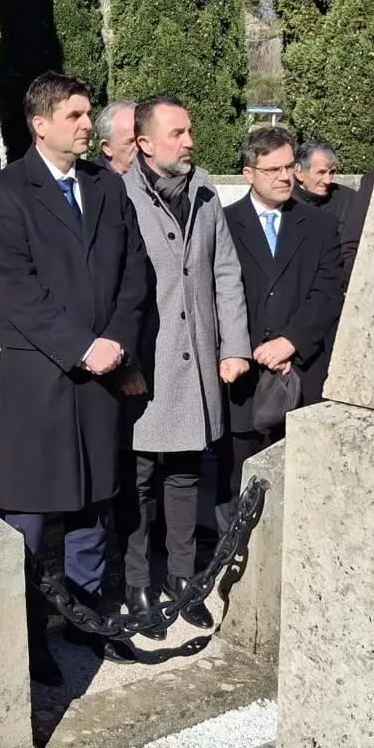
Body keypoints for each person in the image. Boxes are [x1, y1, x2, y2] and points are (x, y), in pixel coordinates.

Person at [0, 71, 149, 685]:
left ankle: (84, 617)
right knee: (29, 514)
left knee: (91, 507)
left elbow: (135, 271)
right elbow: (17, 287)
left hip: (103, 372)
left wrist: (116, 343)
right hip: (42, 378)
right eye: (76, 116)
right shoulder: (4, 191)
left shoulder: (107, 186)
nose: (87, 125)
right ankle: (28, 636)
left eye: (88, 114)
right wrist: (80, 347)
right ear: (40, 123)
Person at [114, 96, 248, 636]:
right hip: (147, 362)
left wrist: (233, 345)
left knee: (186, 475)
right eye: (178, 133)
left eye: (189, 131)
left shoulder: (206, 192)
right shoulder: (118, 196)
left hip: (196, 364)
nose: (189, 141)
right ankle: (138, 582)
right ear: (144, 143)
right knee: (141, 480)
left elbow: (226, 273)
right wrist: (122, 358)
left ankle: (184, 579)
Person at [220, 126, 342, 536]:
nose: (286, 176)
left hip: (301, 374)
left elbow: (328, 293)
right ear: (248, 173)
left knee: (299, 485)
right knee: (240, 485)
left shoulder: (320, 226)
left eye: (290, 166)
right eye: (273, 169)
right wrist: (249, 348)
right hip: (244, 379)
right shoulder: (222, 225)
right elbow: (216, 293)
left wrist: (290, 342)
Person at [291, 139, 358, 227]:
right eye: (321, 172)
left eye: (332, 172)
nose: (328, 181)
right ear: (299, 173)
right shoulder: (286, 204)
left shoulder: (349, 199)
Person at [95, 101, 137, 175]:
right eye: (131, 141)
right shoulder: (89, 184)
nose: (140, 147)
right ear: (107, 148)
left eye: (143, 139)